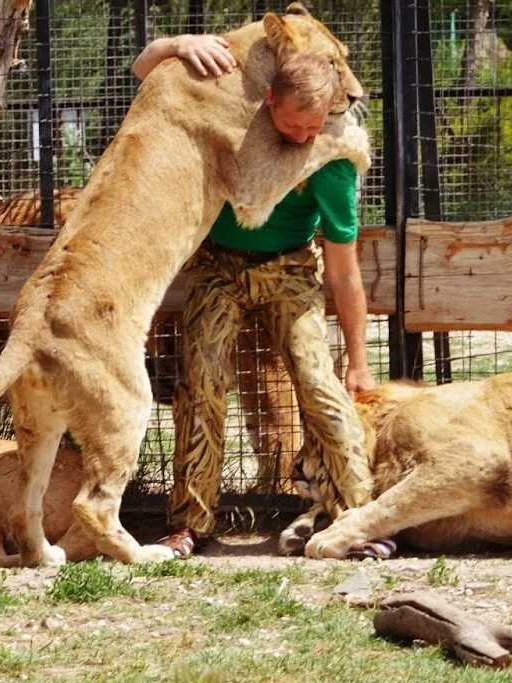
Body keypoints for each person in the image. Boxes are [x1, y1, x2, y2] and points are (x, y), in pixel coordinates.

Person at [129, 31, 376, 559]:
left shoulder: (330, 160)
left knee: (319, 384)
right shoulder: (234, 117)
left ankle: (361, 518)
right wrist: (177, 44)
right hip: (217, 265)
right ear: (269, 101)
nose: (303, 136)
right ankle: (190, 524)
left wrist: (358, 359)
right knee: (201, 383)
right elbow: (143, 73)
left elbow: (344, 270)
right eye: (292, 124)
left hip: (288, 270)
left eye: (314, 126)